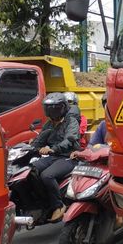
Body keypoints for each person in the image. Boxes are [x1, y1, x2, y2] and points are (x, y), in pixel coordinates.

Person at [32, 93, 81, 222]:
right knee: (31, 170)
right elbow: (40, 140)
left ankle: (58, 205)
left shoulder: (71, 121)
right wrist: (32, 147)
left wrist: (52, 149)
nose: (52, 111)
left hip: (68, 157)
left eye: (55, 107)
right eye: (49, 108)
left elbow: (69, 141)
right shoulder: (49, 124)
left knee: (47, 175)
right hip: (53, 156)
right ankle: (42, 204)